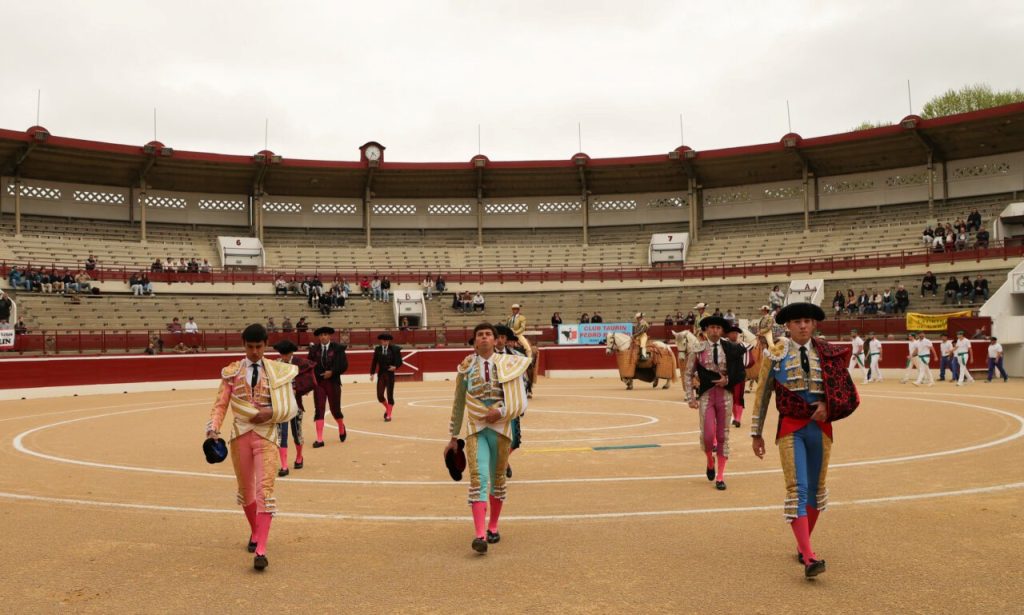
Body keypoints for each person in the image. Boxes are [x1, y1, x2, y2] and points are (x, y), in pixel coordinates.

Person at [750, 302, 859, 579]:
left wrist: (828, 405)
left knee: (817, 489)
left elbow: (844, 391)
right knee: (797, 488)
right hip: (791, 428)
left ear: (814, 324)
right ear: (787, 325)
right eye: (797, 321)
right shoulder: (774, 354)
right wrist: (756, 433)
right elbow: (762, 395)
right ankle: (810, 557)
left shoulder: (827, 352)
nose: (802, 325)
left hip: (821, 429)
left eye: (807, 321)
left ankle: (803, 543)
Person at [205, 324, 300, 570]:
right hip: (240, 436)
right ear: (244, 345)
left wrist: (271, 412)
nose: (255, 352)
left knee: (264, 492)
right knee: (246, 491)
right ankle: (255, 532)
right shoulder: (232, 371)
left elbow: (290, 407)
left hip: (267, 435)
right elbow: (220, 404)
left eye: (259, 347)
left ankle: (261, 550)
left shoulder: (278, 371)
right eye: (250, 347)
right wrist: (213, 429)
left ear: (265, 345)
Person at [444, 323, 531, 554]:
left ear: (495, 341)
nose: (484, 338)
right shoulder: (465, 367)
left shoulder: (509, 365)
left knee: (498, 478)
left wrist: (500, 412)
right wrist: (453, 437)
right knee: (478, 478)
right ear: (474, 342)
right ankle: (480, 534)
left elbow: (521, 402)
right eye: (479, 335)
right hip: (475, 428)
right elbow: (458, 403)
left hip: (502, 428)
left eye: (488, 335)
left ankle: (493, 526)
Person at [685, 316, 751, 490]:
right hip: (706, 396)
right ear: (706, 330)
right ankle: (709, 461)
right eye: (711, 327)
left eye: (717, 328)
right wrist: (690, 397)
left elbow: (740, 373)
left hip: (725, 397)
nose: (714, 330)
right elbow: (688, 373)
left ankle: (720, 476)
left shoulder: (731, 348)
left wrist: (727, 380)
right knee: (708, 436)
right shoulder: (697, 348)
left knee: (722, 436)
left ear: (722, 331)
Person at [272, 340, 315, 477]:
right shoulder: (276, 364)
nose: (284, 357)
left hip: (295, 404)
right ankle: (284, 465)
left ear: (291, 353)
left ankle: (299, 457)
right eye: (282, 354)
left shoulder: (299, 362)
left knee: (297, 433)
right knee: (281, 434)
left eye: (286, 354)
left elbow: (309, 378)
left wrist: (302, 389)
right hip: (282, 405)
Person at [307, 326, 350, 445]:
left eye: (325, 334)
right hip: (319, 384)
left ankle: (341, 426)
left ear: (329, 336)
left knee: (335, 409)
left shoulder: (338, 348)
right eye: (321, 335)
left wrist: (332, 372)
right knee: (319, 409)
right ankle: (319, 439)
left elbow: (344, 365)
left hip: (333, 382)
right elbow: (309, 366)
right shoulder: (314, 350)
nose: (323, 337)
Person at [370, 333, 403, 422]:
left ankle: (388, 415)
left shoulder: (394, 349)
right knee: (380, 395)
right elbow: (374, 362)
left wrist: (395, 367)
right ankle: (388, 408)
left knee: (389, 394)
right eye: (383, 340)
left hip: (390, 374)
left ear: (389, 341)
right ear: (381, 341)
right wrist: (372, 373)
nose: (384, 342)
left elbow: (400, 362)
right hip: (381, 374)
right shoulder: (378, 349)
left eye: (386, 340)